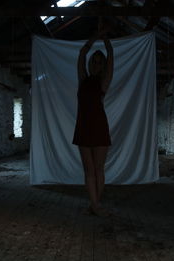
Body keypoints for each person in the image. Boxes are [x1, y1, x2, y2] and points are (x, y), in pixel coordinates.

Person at [72, 30, 114, 217]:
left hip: (98, 127)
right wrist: (94, 38)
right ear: (90, 64)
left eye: (100, 62)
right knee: (88, 170)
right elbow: (82, 54)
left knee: (98, 169)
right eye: (94, 61)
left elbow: (111, 58)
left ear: (103, 65)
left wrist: (107, 43)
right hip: (83, 127)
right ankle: (95, 205)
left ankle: (95, 204)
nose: (96, 64)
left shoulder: (104, 81)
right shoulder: (83, 79)